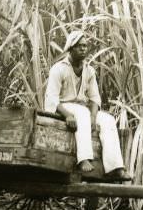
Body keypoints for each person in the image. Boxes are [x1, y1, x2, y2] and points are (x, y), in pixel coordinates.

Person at [44, 31, 131, 180]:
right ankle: (83, 159)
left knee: (108, 120)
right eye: (79, 46)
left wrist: (93, 117)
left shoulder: (89, 71)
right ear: (70, 49)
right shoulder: (59, 69)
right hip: (63, 108)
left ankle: (115, 167)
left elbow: (95, 99)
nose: (83, 49)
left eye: (85, 46)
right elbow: (52, 99)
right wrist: (68, 115)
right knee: (83, 114)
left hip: (81, 109)